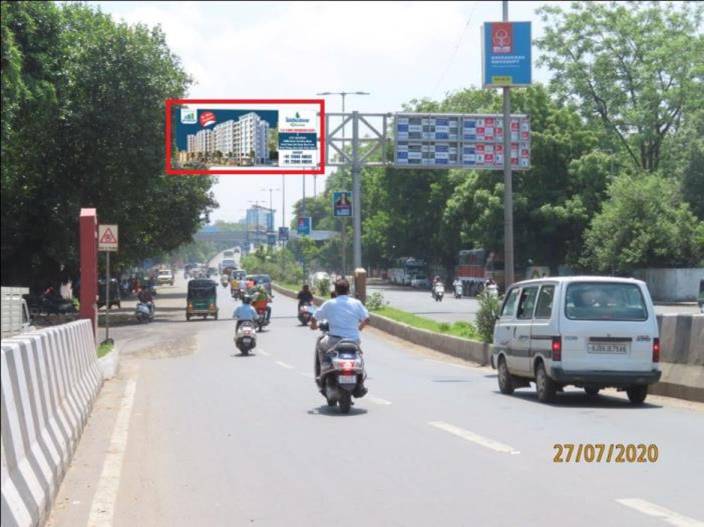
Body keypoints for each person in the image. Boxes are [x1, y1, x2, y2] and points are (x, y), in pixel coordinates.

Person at [310, 278, 369, 397]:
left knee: (320, 344)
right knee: (358, 355)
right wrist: (359, 328)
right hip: (353, 341)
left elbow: (314, 318)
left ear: (335, 291)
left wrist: (314, 326)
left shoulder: (330, 303)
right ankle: (360, 381)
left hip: (334, 341)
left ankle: (323, 370)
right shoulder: (356, 303)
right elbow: (366, 319)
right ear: (348, 290)